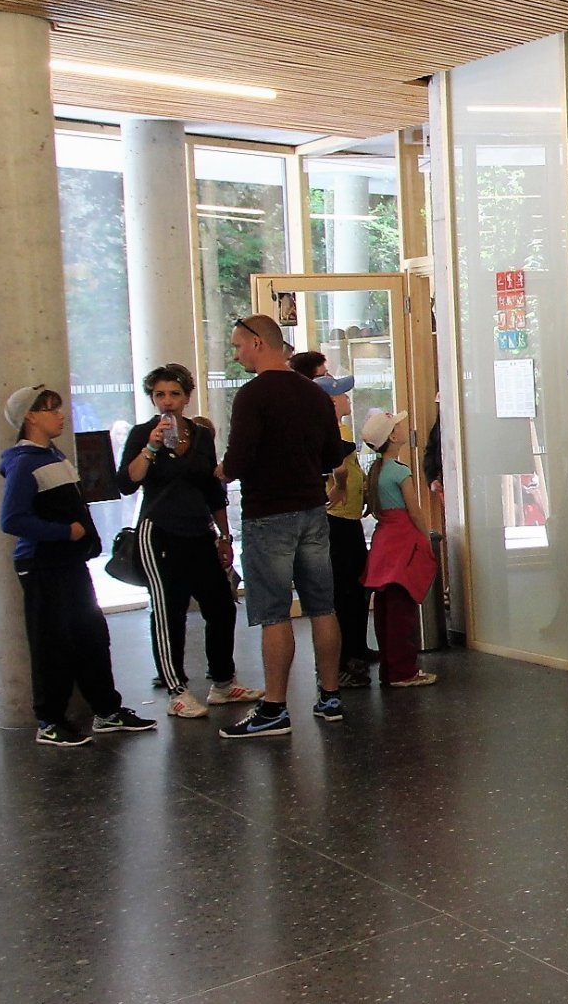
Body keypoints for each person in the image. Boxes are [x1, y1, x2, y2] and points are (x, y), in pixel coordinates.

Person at [216, 315, 354, 739]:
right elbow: (334, 453)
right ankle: (330, 695)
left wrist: (218, 470)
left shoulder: (252, 396)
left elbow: (237, 462)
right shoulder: (313, 394)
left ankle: (275, 707)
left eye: (239, 346)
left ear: (259, 343)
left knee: (274, 613)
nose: (236, 354)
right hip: (312, 510)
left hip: (267, 514)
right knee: (322, 607)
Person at [0, 384, 156, 746]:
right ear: (30, 417)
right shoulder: (25, 464)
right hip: (42, 564)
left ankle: (106, 710)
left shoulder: (53, 456)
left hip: (68, 564)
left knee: (91, 636)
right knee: (51, 642)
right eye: (51, 409)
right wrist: (63, 532)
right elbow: (12, 520)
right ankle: (49, 720)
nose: (60, 414)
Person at [118, 365, 259, 719]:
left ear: (186, 397)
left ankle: (223, 682)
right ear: (152, 398)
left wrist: (224, 535)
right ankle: (176, 689)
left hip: (199, 532)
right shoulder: (141, 434)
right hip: (160, 531)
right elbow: (126, 482)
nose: (167, 402)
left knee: (221, 606)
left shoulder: (199, 436)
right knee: (169, 611)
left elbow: (213, 489)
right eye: (160, 395)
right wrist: (151, 446)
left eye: (174, 394)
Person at [357, 410, 440, 687]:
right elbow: (414, 510)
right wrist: (424, 535)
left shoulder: (375, 471)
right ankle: (404, 671)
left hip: (384, 541)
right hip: (403, 539)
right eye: (399, 426)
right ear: (393, 437)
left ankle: (389, 669)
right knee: (401, 610)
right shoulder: (400, 472)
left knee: (384, 608)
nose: (405, 428)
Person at [324, 437, 375, 687]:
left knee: (358, 588)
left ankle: (356, 648)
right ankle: (340, 663)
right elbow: (335, 457)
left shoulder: (343, 438)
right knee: (342, 593)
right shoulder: (328, 433)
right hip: (335, 520)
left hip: (350, 520)